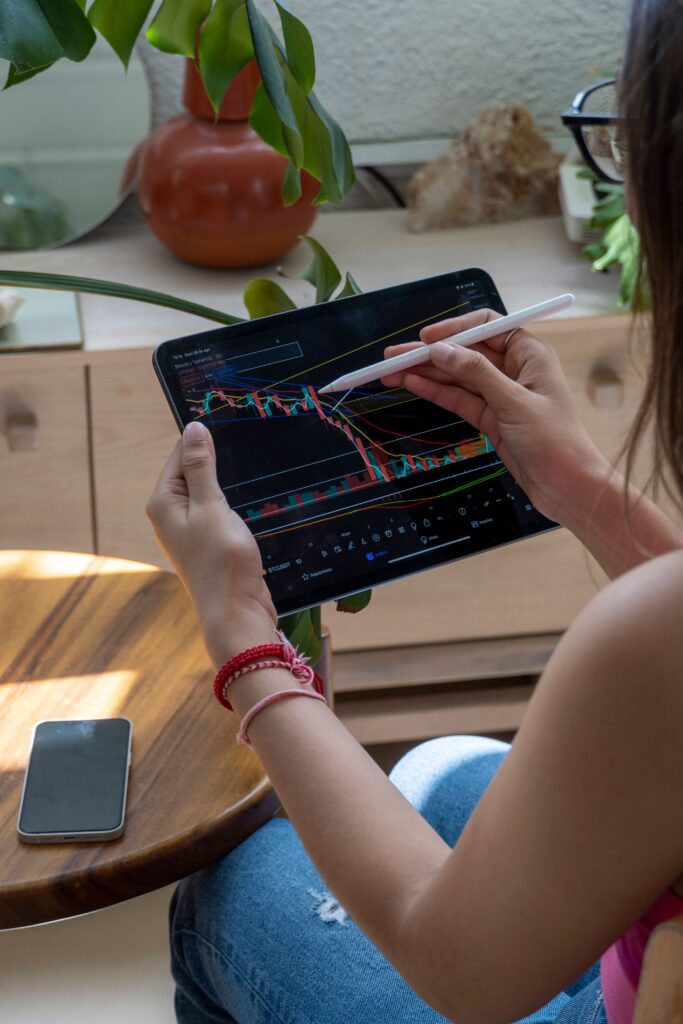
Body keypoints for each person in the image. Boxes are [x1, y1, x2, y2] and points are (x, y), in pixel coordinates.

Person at [145, 1, 683, 1021]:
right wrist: (574, 484)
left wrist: (245, 637)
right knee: (440, 772)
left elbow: (464, 970)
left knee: (231, 882)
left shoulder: (649, 644)